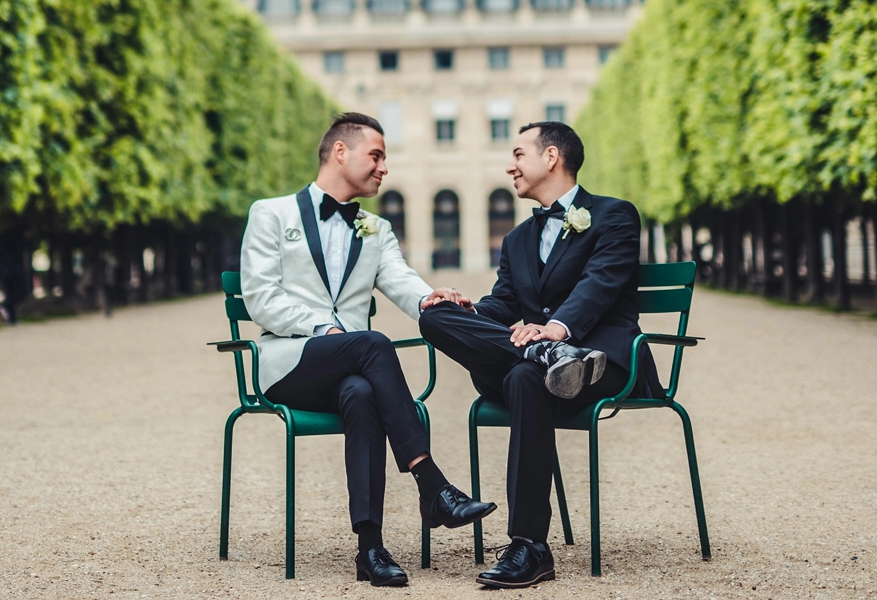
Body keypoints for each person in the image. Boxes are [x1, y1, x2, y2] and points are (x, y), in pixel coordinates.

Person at [240, 112, 496, 587]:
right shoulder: (270, 213)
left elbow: (400, 280)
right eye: (376, 155)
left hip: (350, 371)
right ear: (341, 151)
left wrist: (428, 298)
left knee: (360, 392)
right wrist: (322, 327)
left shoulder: (377, 229)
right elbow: (260, 297)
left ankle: (370, 549)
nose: (383, 168)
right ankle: (431, 484)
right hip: (289, 364)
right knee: (373, 345)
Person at [418, 121, 662, 588]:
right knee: (435, 316)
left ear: (551, 157)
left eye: (518, 154)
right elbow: (505, 303)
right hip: (541, 361)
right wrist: (469, 309)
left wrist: (554, 330)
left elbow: (600, 285)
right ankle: (548, 357)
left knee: (521, 379)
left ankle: (529, 545)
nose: (509, 166)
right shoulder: (516, 240)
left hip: (601, 364)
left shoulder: (614, 215)